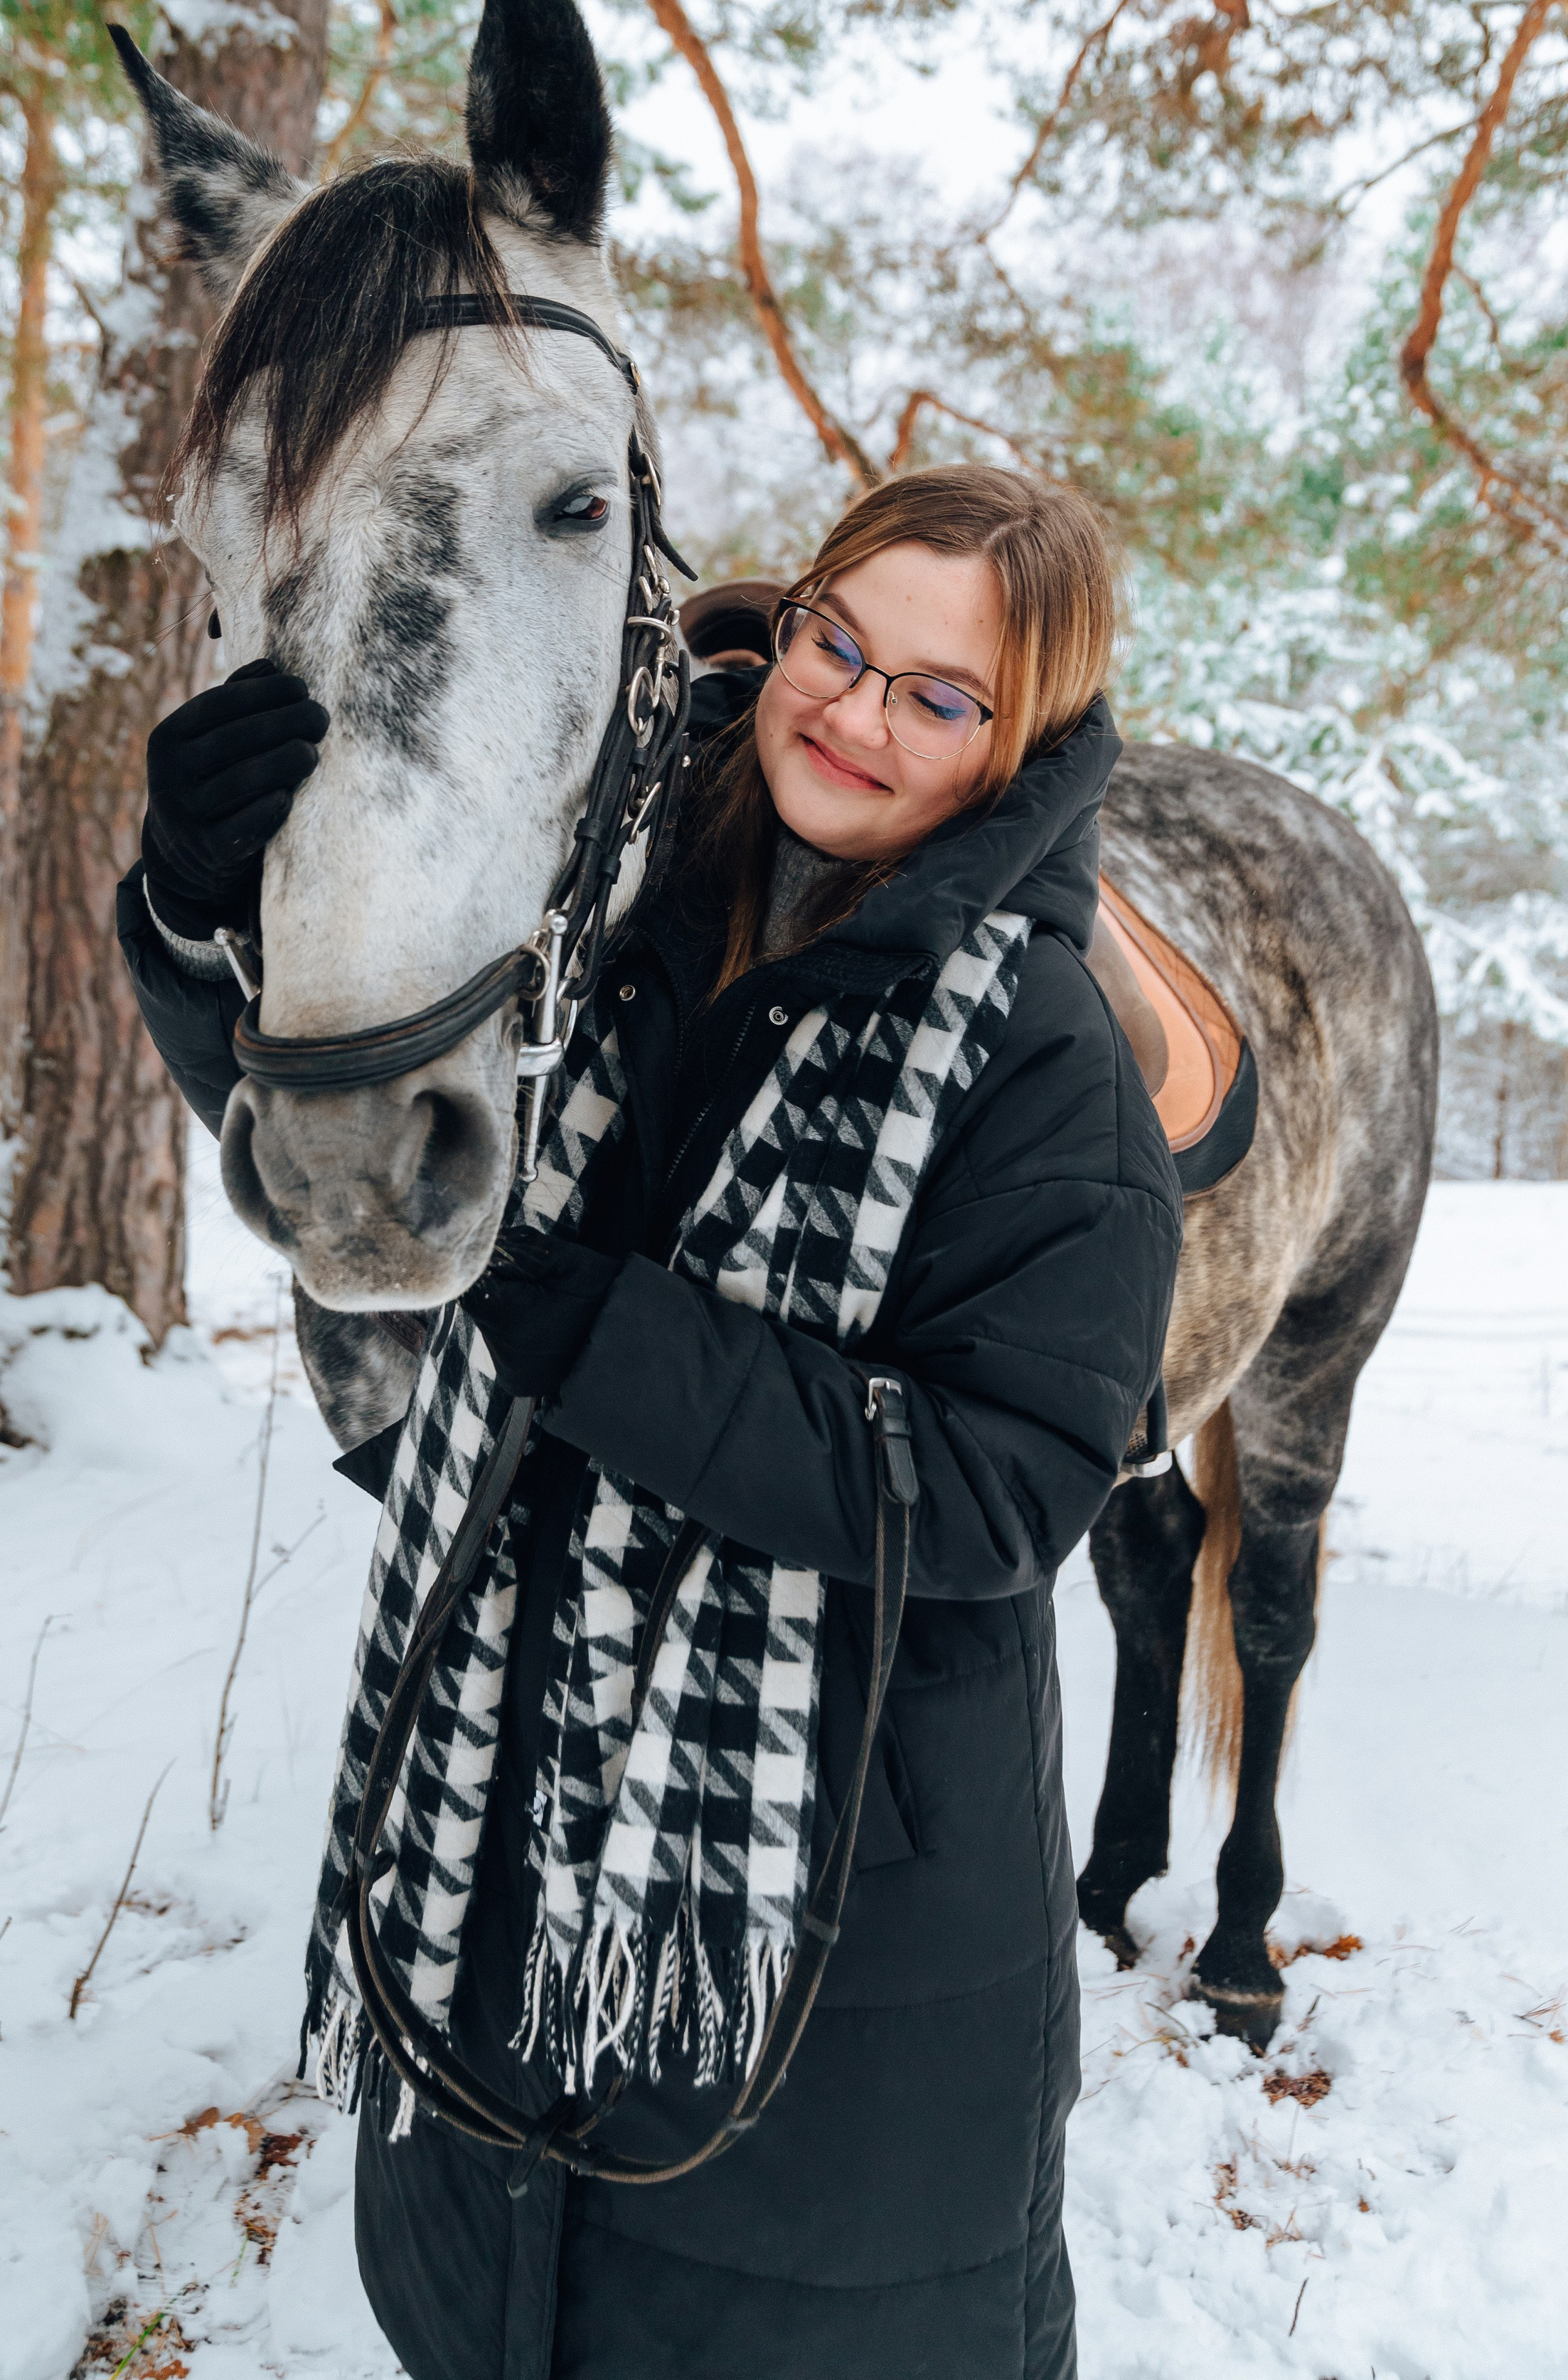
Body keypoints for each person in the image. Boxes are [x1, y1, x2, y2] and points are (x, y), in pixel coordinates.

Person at [119, 462, 1183, 2380]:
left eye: (938, 696)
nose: (853, 714)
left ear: (1019, 740)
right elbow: (351, 1149)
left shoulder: (1045, 1060)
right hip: (498, 1809)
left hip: (829, 1944)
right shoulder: (585, 896)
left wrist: (590, 1328)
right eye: (836, 643)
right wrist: (199, 918)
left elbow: (995, 1492)